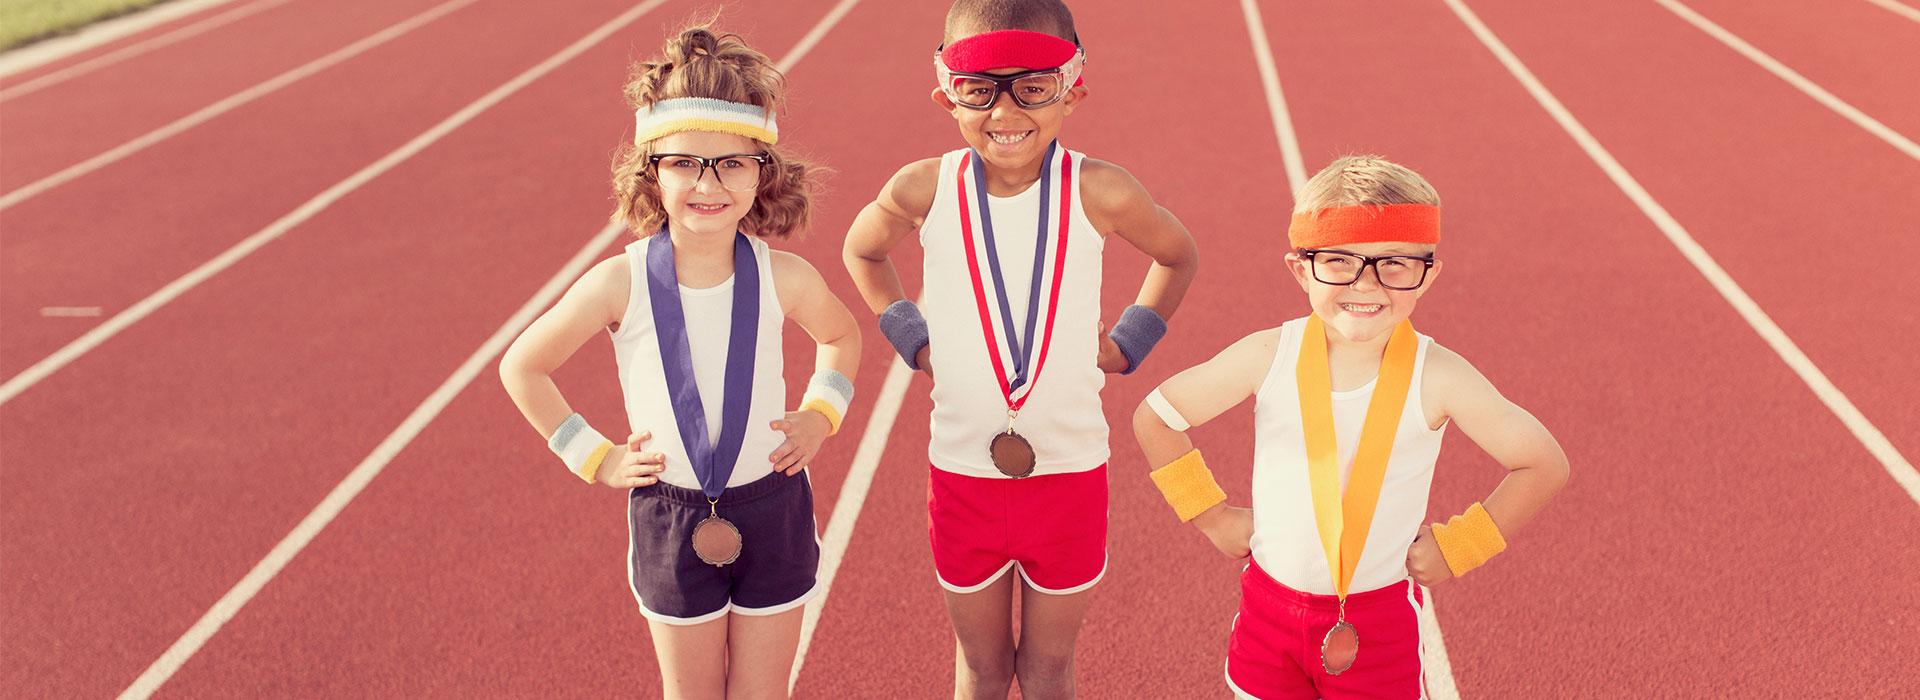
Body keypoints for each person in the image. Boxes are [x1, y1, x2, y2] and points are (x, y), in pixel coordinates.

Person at [842, 1, 1199, 697]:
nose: (1006, 112)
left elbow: (1177, 255)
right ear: (947, 94)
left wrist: (1131, 340)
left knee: (1047, 666)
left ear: (1073, 89)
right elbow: (862, 250)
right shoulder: (925, 188)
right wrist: (910, 337)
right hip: (963, 475)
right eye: (981, 89)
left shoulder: (1100, 189)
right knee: (980, 666)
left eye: (1033, 87)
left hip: (1068, 475)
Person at [499, 24, 860, 700]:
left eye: (731, 163)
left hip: (774, 504)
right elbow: (523, 366)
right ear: (652, 171)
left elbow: (843, 339)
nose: (708, 183)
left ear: (763, 171)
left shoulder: (786, 276)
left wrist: (822, 413)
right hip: (670, 516)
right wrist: (593, 456)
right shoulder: (621, 282)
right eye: (685, 162)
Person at [1133, 155, 1569, 699]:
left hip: (1378, 623)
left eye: (1396, 265)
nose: (1367, 285)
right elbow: (1157, 417)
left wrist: (1463, 546)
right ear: (1299, 269)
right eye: (1339, 262)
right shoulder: (1269, 355)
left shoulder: (1438, 375)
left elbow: (1543, 462)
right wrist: (1212, 516)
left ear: (1428, 274)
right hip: (1269, 614)